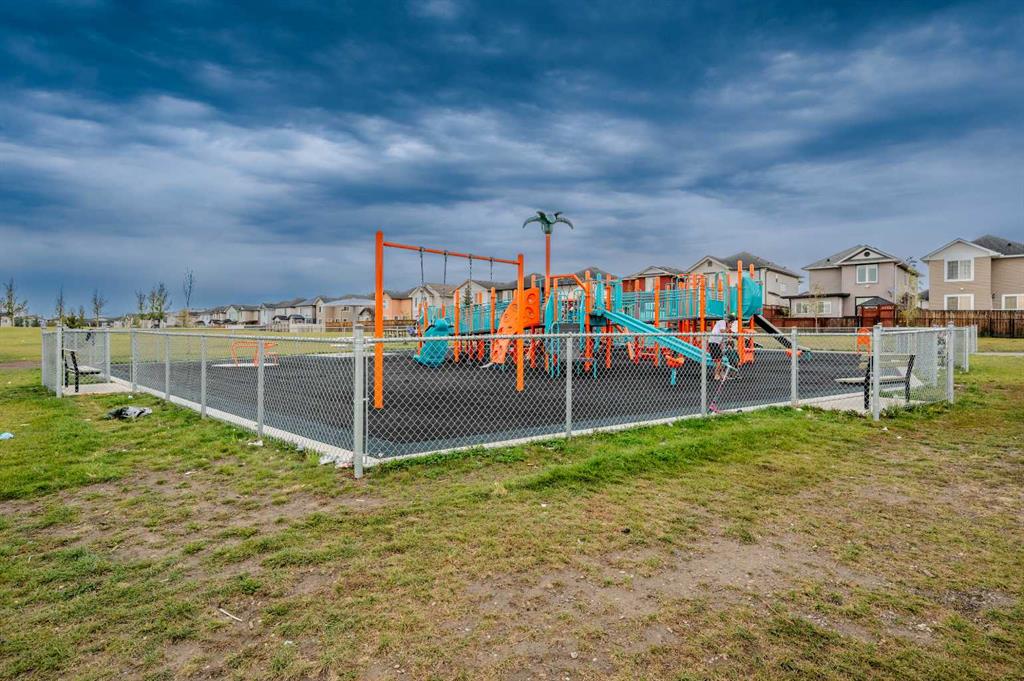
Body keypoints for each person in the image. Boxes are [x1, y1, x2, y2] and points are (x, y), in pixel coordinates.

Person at [708, 314, 736, 381]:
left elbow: (723, 338)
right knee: (718, 360)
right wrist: (729, 329)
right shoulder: (722, 322)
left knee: (720, 360)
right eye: (731, 322)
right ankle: (717, 375)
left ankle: (721, 374)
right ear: (729, 321)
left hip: (717, 343)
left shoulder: (724, 325)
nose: (731, 324)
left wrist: (724, 345)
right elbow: (722, 331)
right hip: (713, 342)